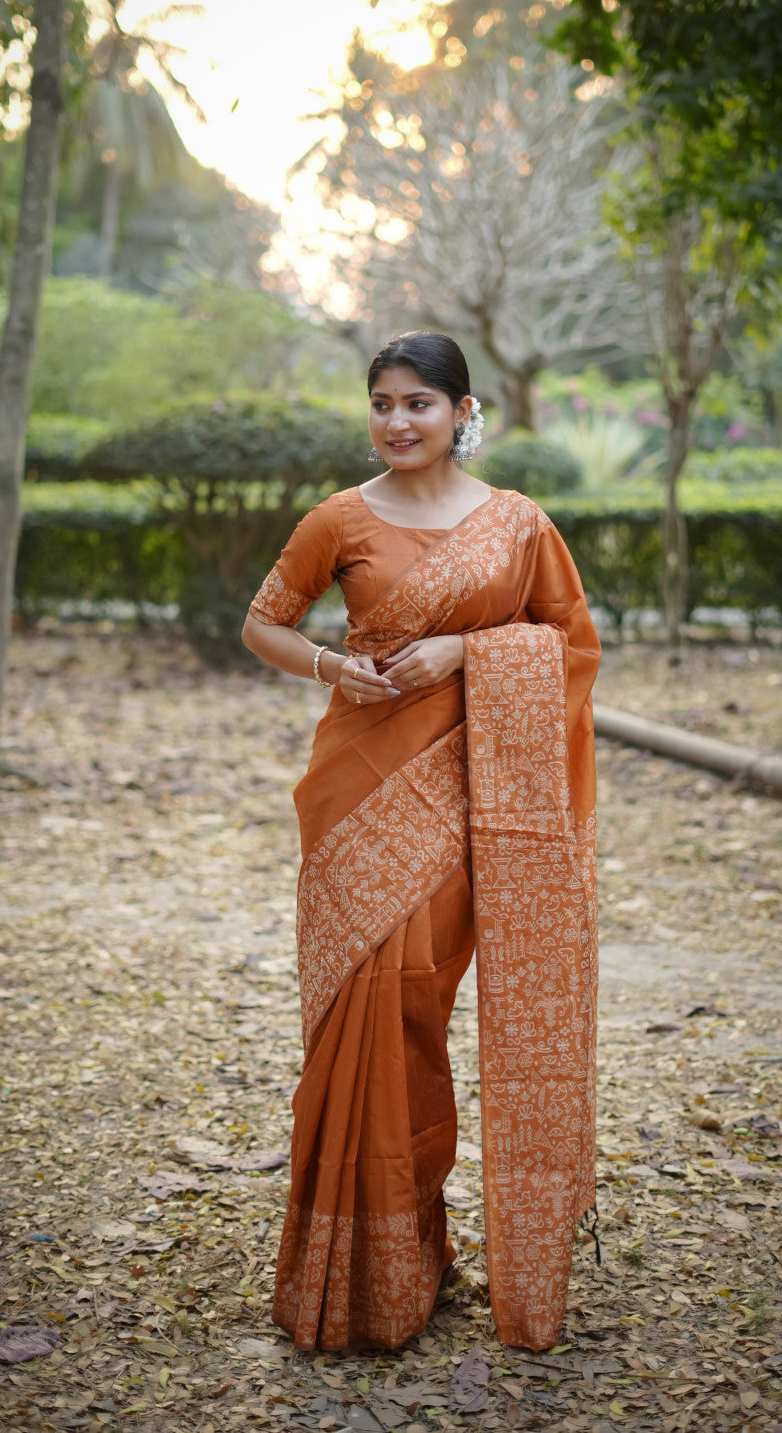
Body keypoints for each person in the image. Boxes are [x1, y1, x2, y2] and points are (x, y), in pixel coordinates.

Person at [241, 331, 601, 1354]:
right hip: (355, 796)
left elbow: (572, 648)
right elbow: (261, 624)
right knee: (363, 1019)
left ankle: (414, 1256)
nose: (397, 422)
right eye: (382, 403)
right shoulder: (338, 520)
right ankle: (364, 1273)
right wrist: (325, 668)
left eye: (419, 405)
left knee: (416, 1007)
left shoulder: (520, 527)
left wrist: (469, 651)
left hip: (469, 803)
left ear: (462, 412)